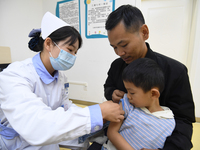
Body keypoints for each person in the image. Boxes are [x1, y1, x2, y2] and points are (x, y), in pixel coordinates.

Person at [0, 12, 124, 150]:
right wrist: (96, 113)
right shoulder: (15, 74)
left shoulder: (61, 77)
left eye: (75, 52)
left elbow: (65, 106)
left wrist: (98, 115)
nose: (73, 57)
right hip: (18, 142)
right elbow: (35, 124)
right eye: (70, 50)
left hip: (48, 136)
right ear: (48, 43)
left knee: (84, 140)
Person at [103, 4, 195, 150]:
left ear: (144, 32)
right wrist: (111, 93)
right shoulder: (116, 66)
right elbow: (108, 87)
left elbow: (183, 120)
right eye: (114, 47)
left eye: (124, 44)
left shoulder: (175, 71)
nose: (119, 53)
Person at [102, 58, 175, 150]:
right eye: (127, 91)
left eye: (132, 93)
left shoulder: (168, 121)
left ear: (153, 94)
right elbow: (112, 132)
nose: (128, 96)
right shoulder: (127, 104)